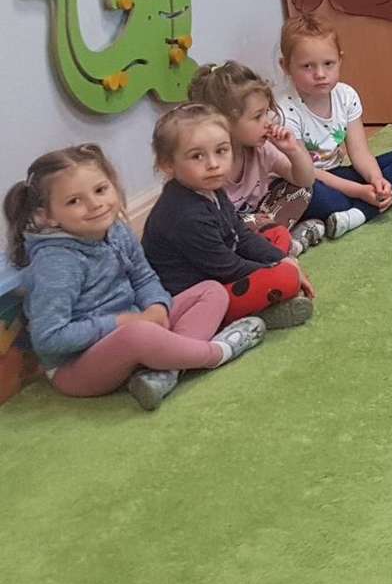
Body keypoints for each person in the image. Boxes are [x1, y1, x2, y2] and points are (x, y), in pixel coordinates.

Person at [7, 145, 266, 411]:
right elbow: (49, 338)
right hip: (76, 368)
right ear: (48, 216)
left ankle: (168, 370)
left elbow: (144, 278)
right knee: (137, 335)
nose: (95, 204)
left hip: (136, 327)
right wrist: (120, 322)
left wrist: (157, 306)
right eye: (74, 201)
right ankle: (217, 353)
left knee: (211, 290)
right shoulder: (56, 263)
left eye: (100, 190)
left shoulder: (116, 230)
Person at [141, 104, 314, 330]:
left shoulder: (209, 188)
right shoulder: (185, 215)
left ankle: (273, 286)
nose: (213, 164)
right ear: (168, 165)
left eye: (221, 151)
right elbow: (227, 268)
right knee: (284, 278)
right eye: (197, 156)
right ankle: (244, 315)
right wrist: (278, 268)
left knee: (277, 234)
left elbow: (240, 234)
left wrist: (282, 259)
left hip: (221, 263)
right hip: (199, 293)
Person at [278, 13, 392, 239]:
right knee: (318, 199)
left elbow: (360, 152)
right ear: (285, 66)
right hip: (307, 182)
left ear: (340, 59)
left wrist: (376, 180)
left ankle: (358, 213)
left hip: (339, 173)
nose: (320, 74)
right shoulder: (284, 111)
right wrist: (360, 191)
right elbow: (309, 173)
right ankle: (374, 204)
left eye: (328, 64)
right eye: (307, 66)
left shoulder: (346, 95)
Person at [189, 60, 317, 249]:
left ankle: (273, 242)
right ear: (225, 123)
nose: (268, 122)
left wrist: (294, 151)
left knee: (301, 191)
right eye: (258, 116)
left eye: (267, 112)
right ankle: (277, 244)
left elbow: (305, 180)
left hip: (259, 219)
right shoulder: (209, 165)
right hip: (229, 229)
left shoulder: (261, 149)